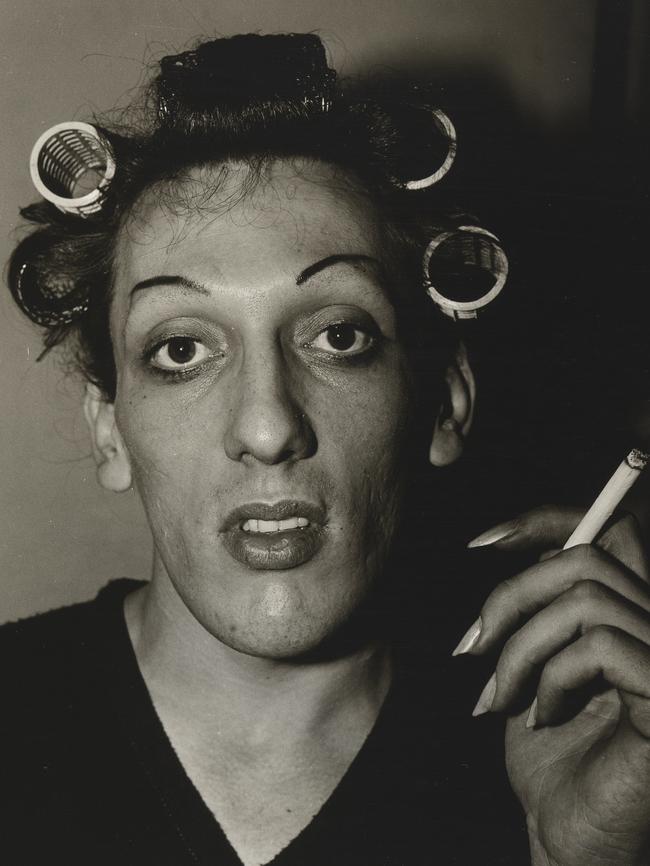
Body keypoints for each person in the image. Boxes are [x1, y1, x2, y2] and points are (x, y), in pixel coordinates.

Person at [4, 32, 650, 866]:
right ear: (109, 425)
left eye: (339, 336)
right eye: (181, 350)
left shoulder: (566, 757)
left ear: (444, 402)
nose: (268, 428)